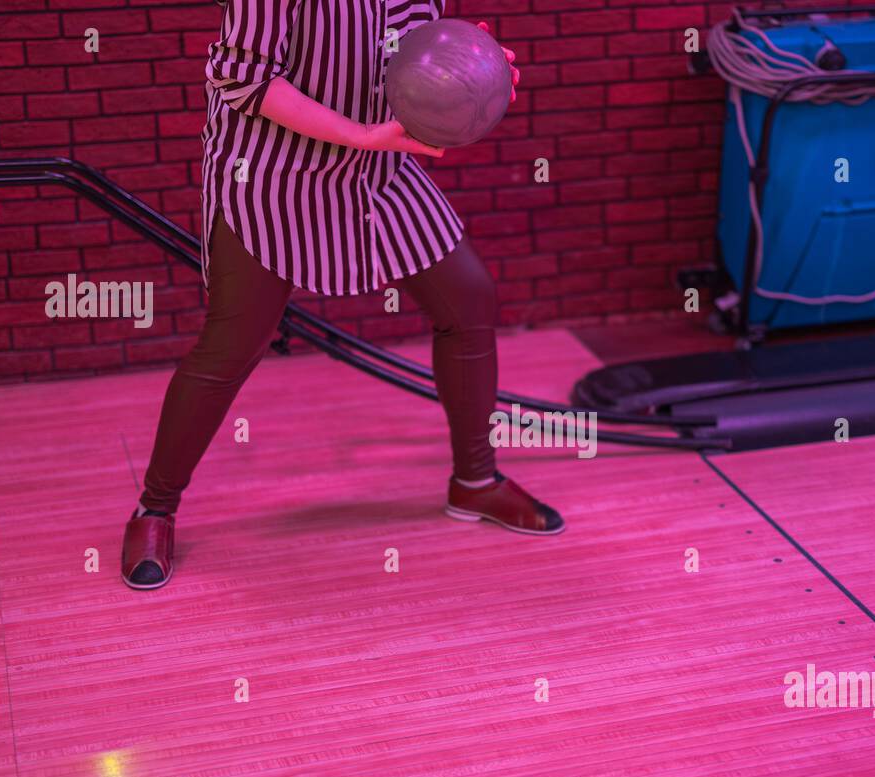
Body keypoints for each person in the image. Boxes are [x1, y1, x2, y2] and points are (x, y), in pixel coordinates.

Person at [122, 0, 565, 591]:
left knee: (469, 301)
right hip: (271, 175)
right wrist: (359, 134)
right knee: (232, 345)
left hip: (375, 171)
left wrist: (468, 67)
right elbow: (244, 78)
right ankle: (155, 509)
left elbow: (408, 43)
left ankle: (475, 483)